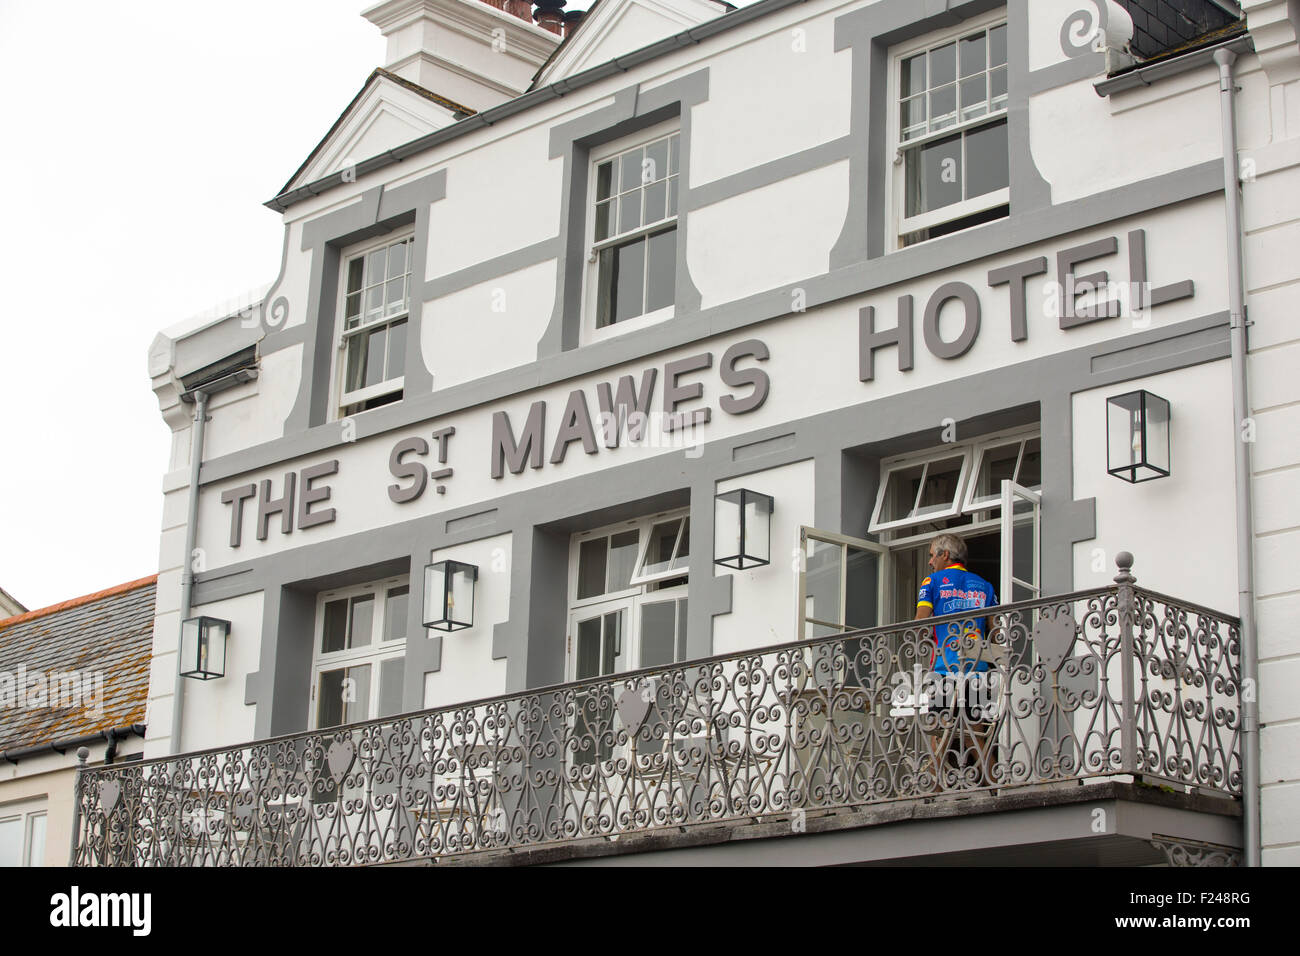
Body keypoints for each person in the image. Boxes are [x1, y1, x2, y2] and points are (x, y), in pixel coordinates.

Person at [912, 533, 999, 789]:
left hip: (945, 668)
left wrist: (926, 634)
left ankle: (933, 789)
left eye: (932, 555)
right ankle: (994, 786)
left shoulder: (932, 581)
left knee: (939, 732)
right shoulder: (985, 585)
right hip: (977, 670)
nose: (930, 562)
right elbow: (994, 631)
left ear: (945, 555)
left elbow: (920, 623)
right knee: (975, 734)